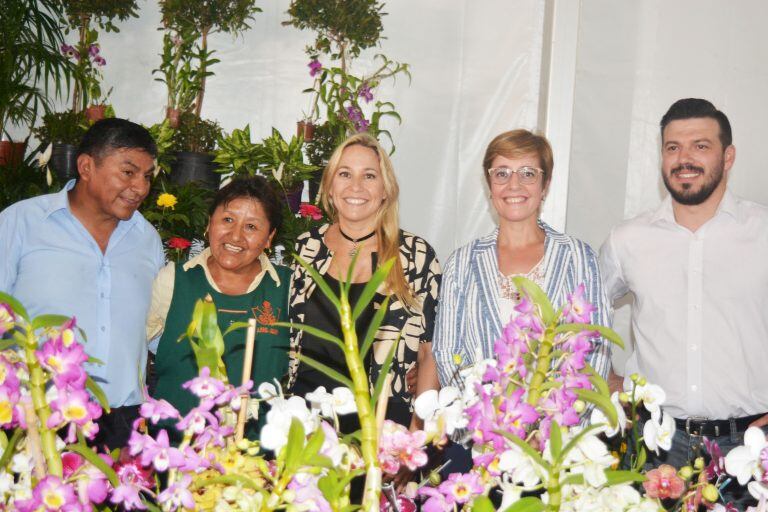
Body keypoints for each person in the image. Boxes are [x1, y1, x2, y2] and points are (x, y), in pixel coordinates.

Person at [600, 99, 768, 505]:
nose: (684, 158)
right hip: (657, 445)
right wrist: (607, 380)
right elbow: (581, 317)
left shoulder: (763, 232)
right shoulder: (628, 240)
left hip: (751, 447)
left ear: (728, 156)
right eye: (672, 147)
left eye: (700, 145)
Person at [0, 118, 164, 449]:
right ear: (86, 166)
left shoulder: (147, 240)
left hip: (120, 424)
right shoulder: (21, 223)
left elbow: (156, 333)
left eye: (147, 176)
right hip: (32, 421)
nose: (141, 188)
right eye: (128, 172)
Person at [288, 133, 442, 437]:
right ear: (330, 188)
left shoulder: (415, 256)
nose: (355, 187)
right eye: (345, 174)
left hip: (385, 428)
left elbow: (430, 352)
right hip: (308, 426)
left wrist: (417, 433)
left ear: (385, 190)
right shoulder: (307, 248)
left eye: (369, 176)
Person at [433, 129, 611, 388]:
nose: (513, 185)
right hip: (481, 423)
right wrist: (489, 418)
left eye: (528, 173)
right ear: (490, 185)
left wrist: (552, 420)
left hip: (560, 424)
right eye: (502, 173)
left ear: (545, 185)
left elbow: (596, 350)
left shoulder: (579, 258)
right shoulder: (461, 264)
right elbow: (447, 354)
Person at [147, 176, 291, 437]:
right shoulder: (174, 279)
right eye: (227, 220)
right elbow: (141, 349)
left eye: (251, 226)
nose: (235, 235)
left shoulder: (287, 288)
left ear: (270, 238)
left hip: (256, 458)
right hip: (177, 450)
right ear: (209, 223)